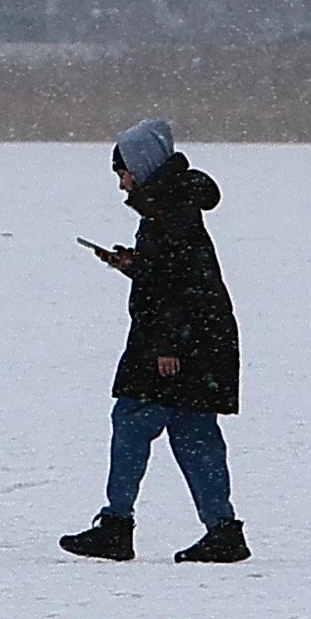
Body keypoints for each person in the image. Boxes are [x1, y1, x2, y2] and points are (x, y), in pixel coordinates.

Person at [60, 116, 248, 564]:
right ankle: (222, 531)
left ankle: (116, 526)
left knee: (132, 421)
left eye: (123, 172)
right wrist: (133, 264)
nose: (121, 183)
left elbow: (177, 286)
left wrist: (167, 346)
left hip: (178, 344)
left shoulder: (167, 212)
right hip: (204, 342)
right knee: (193, 431)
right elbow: (171, 275)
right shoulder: (172, 206)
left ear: (142, 167)